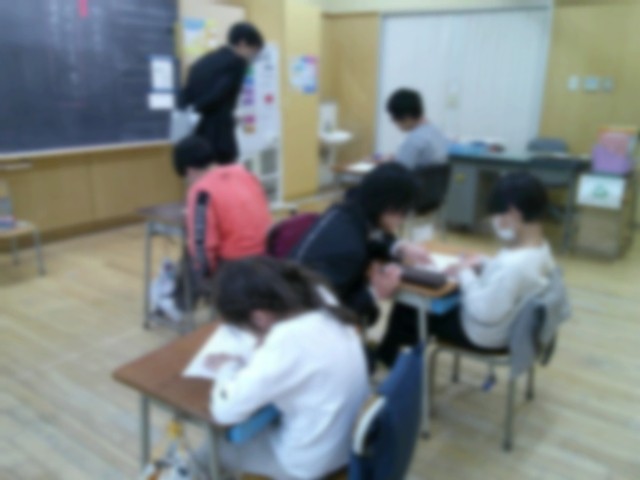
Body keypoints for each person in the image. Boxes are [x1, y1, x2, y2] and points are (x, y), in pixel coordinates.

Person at [201, 257, 370, 480]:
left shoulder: (288, 340)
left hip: (310, 461)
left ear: (260, 318)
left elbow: (225, 411)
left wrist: (227, 366)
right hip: (344, 443)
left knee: (208, 452)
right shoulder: (319, 296)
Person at [377, 172, 557, 366]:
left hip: (484, 334)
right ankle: (397, 357)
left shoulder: (514, 266)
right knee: (430, 303)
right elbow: (507, 277)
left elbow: (484, 312)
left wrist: (464, 272)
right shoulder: (540, 249)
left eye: (497, 215)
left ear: (513, 214)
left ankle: (390, 360)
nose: (495, 222)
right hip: (511, 327)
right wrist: (483, 263)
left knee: (409, 307)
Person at [290, 163, 430, 326]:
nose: (403, 219)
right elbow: (330, 317)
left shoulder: (345, 211)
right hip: (304, 321)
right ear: (387, 206)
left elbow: (375, 237)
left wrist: (399, 246)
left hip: (294, 293)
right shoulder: (350, 251)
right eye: (403, 211)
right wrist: (374, 292)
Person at [152, 135, 271, 320]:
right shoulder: (245, 174)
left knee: (193, 254)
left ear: (188, 170)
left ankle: (179, 306)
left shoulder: (201, 192)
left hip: (238, 268)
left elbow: (203, 247)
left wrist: (206, 281)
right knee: (196, 253)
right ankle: (181, 300)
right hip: (267, 257)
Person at [180, 22, 264, 162]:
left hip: (196, 135)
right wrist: (228, 115)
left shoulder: (202, 62)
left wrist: (197, 107)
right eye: (253, 50)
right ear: (242, 43)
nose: (252, 56)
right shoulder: (238, 63)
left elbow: (187, 94)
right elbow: (219, 94)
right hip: (220, 138)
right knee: (224, 174)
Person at [386, 88, 449, 168]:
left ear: (406, 117)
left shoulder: (414, 141)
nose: (394, 123)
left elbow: (399, 170)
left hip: (412, 175)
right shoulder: (436, 132)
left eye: (394, 118)